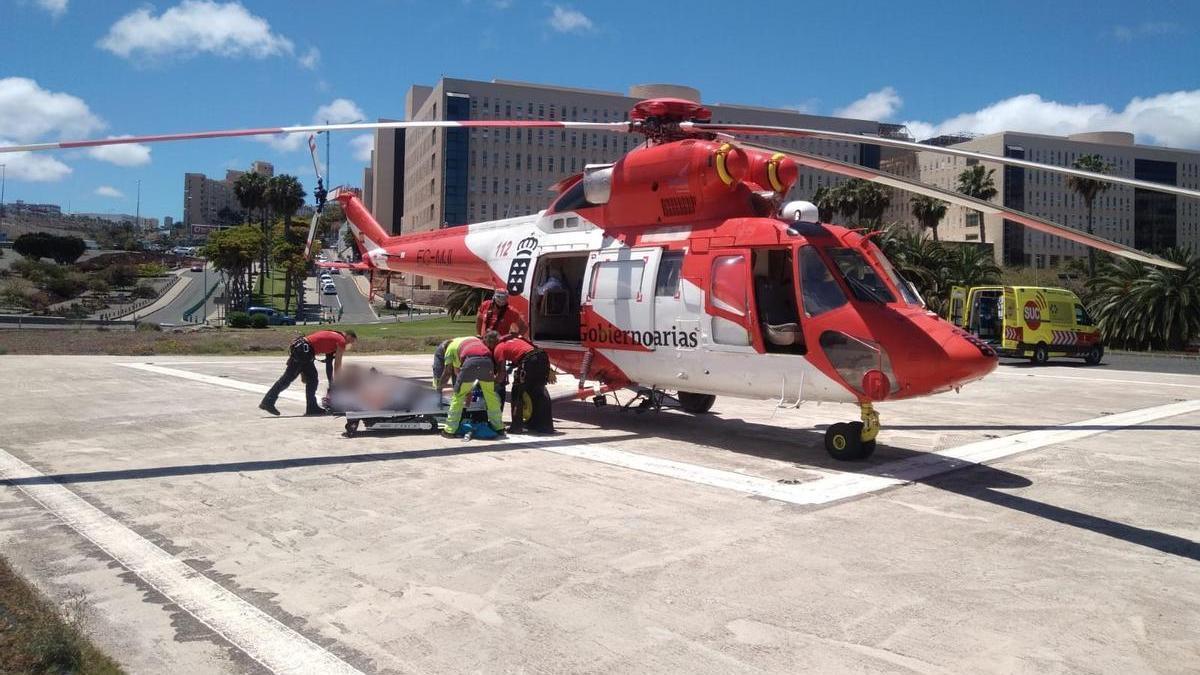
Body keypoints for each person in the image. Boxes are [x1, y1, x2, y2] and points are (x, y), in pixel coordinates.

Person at [260, 329, 357, 415]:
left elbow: (329, 365)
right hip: (304, 351)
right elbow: (337, 364)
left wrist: (332, 383)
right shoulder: (341, 340)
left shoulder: (334, 336)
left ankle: (312, 407)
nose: (349, 344)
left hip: (304, 350)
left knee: (312, 379)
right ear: (348, 336)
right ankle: (268, 401)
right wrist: (338, 382)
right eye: (351, 341)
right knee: (287, 378)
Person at [436, 332, 504, 437]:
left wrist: (439, 387)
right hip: (487, 361)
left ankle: (449, 430)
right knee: (490, 396)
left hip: (471, 362)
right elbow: (458, 371)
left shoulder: (449, 349)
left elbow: (447, 372)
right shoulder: (471, 339)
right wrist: (468, 387)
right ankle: (499, 428)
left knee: (458, 397)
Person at [492, 335, 554, 434]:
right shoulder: (515, 338)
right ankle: (544, 426)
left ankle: (516, 427)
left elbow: (502, 373)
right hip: (542, 357)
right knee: (538, 391)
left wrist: (494, 384)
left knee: (518, 392)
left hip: (529, 360)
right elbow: (534, 350)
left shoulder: (498, 347)